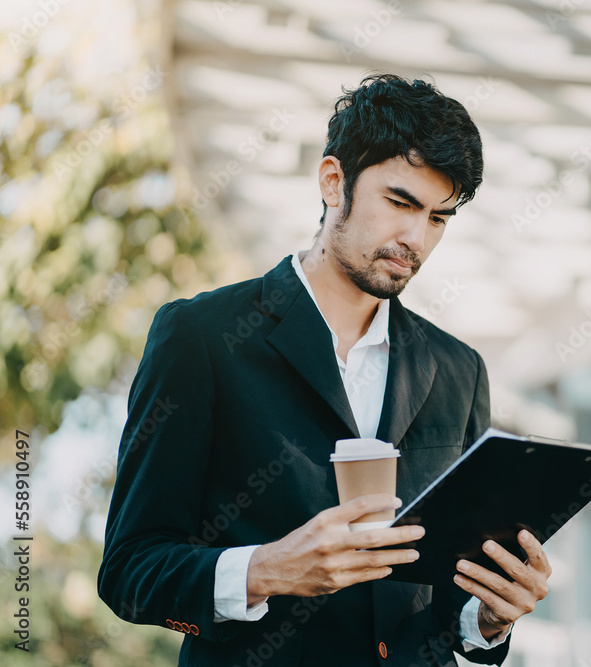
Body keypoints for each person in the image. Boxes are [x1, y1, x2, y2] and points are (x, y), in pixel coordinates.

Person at [98, 73, 551, 666]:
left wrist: (488, 618)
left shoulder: (459, 371)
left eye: (438, 218)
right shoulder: (202, 338)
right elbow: (130, 570)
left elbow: (440, 603)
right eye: (400, 202)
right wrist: (262, 571)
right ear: (334, 181)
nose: (415, 237)